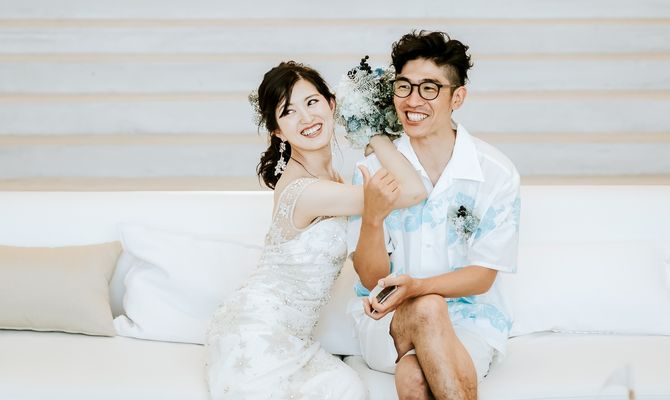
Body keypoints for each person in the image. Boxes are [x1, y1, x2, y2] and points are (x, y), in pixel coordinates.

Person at [205, 61, 426, 400]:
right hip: (257, 330)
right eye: (289, 112)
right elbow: (413, 191)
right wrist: (376, 136)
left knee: (350, 389)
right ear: (278, 131)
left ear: (331, 104)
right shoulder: (307, 191)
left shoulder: (334, 180)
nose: (306, 118)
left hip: (293, 337)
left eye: (312, 102)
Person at [347, 31, 521, 400]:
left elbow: (482, 276)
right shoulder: (372, 169)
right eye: (404, 87)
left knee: (414, 376)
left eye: (429, 88)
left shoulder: (496, 172)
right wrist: (373, 217)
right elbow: (372, 278)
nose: (413, 101)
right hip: (386, 320)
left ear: (457, 97)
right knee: (427, 308)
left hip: (470, 322)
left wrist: (419, 288)